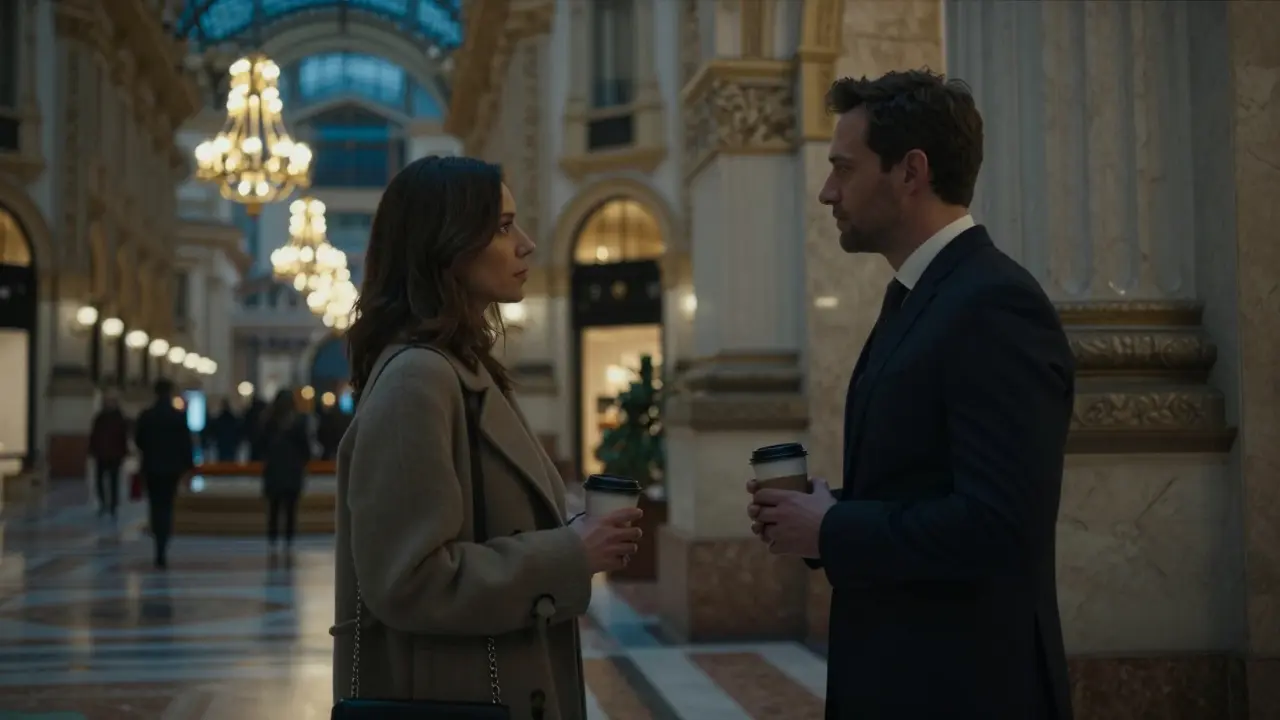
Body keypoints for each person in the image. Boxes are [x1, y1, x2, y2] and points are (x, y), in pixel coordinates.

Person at [747, 70, 1075, 719]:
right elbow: (926, 489)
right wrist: (824, 516)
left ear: (910, 171)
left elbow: (1002, 525)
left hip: (964, 688)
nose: (826, 192)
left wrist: (835, 528)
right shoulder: (924, 295)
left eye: (844, 167)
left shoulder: (992, 303)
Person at [331, 155, 642, 720]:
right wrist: (568, 552)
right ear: (444, 244)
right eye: (502, 227)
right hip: (458, 697)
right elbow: (409, 580)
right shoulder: (418, 380)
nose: (525, 244)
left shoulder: (463, 370)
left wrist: (574, 533)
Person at [134, 378, 195, 569]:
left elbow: (139, 440)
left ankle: (157, 542)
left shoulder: (147, 415)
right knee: (167, 505)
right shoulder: (177, 416)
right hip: (171, 469)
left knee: (154, 505)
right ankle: (163, 543)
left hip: (152, 467)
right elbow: (186, 444)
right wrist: (188, 467)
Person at [259, 389, 311, 551]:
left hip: (274, 470)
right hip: (293, 471)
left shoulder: (268, 421)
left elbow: (260, 445)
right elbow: (305, 448)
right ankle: (288, 541)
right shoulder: (299, 422)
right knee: (290, 510)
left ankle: (272, 541)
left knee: (273, 510)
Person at [87, 390, 130, 517]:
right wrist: (92, 449)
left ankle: (112, 505)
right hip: (102, 454)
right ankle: (103, 503)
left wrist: (124, 451)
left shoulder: (119, 418)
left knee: (114, 480)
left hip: (114, 454)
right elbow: (94, 435)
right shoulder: (100, 418)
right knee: (100, 480)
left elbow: (123, 437)